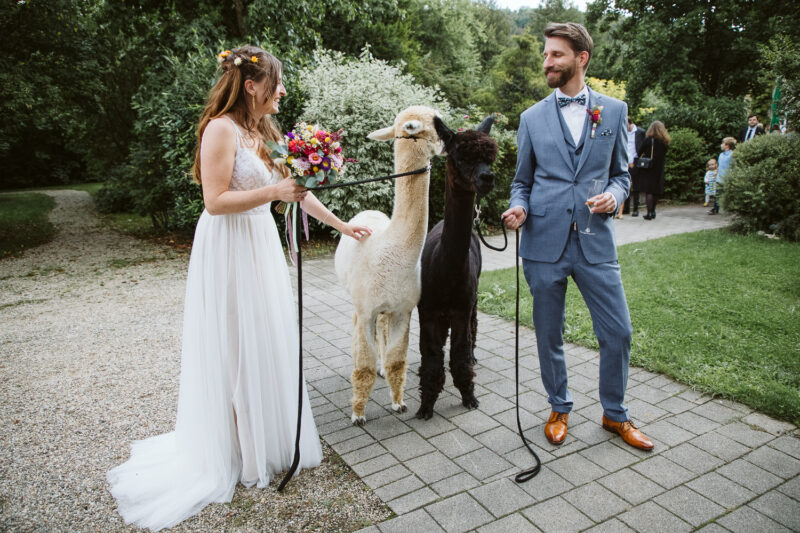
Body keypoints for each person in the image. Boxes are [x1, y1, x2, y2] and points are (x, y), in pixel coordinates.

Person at [106, 45, 371, 531]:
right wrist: (271, 193)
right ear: (251, 85)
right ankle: (234, 449)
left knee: (264, 338)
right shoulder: (221, 129)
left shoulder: (262, 132)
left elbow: (297, 190)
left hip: (259, 245)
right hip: (228, 245)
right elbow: (214, 201)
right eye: (277, 82)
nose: (283, 91)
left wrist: (342, 225)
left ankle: (263, 441)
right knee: (234, 342)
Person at [502, 22, 653, 452]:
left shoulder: (615, 111)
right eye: (546, 54)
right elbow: (522, 182)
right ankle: (559, 406)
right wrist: (520, 207)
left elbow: (622, 175)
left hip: (594, 240)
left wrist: (616, 195)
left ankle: (614, 414)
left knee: (618, 331)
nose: (547, 62)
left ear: (580, 58)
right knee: (549, 334)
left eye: (556, 55)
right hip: (543, 243)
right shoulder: (530, 118)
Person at [637, 121, 670, 220]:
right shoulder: (665, 141)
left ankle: (649, 213)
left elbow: (639, 151)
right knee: (655, 190)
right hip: (659, 168)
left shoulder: (648, 140)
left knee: (649, 191)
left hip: (649, 168)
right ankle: (654, 211)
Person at [617, 116, 646, 218]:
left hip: (635, 162)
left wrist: (637, 159)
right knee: (625, 185)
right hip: (624, 162)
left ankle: (636, 209)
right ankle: (625, 209)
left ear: (629, 123)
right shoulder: (622, 132)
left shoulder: (640, 132)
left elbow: (644, 147)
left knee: (636, 186)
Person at [711, 136, 736, 214]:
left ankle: (730, 209)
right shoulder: (721, 155)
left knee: (728, 195)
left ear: (727, 145)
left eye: (723, 143)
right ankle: (715, 209)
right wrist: (716, 173)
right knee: (717, 194)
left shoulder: (732, 154)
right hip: (719, 178)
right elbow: (719, 165)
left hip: (727, 178)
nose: (721, 145)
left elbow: (733, 166)